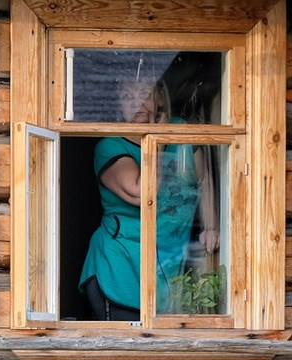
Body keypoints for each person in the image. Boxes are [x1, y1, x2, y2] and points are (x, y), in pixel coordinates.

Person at [79, 75, 219, 320]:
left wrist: (211, 226)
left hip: (170, 265)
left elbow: (204, 179)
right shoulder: (110, 145)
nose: (137, 101)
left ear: (160, 97)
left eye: (144, 92)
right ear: (118, 107)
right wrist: (157, 140)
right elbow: (144, 192)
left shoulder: (181, 132)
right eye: (127, 97)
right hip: (121, 269)